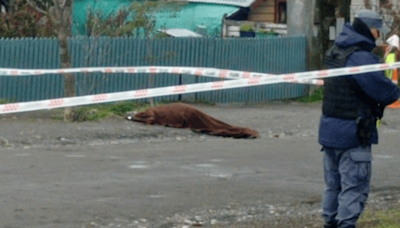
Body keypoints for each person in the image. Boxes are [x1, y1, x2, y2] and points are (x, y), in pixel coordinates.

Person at [319, 9, 400, 228]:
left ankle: (330, 223)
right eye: (376, 30)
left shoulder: (336, 50)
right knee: (354, 187)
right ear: (367, 28)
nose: (377, 35)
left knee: (333, 186)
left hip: (329, 131)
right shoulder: (361, 57)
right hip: (353, 134)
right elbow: (385, 92)